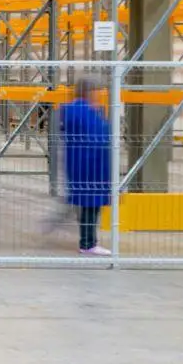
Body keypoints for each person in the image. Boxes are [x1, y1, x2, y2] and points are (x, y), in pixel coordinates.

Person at [58, 77, 113, 257]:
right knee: (90, 205)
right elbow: (97, 138)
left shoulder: (75, 110)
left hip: (81, 165)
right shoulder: (85, 111)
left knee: (87, 205)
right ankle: (88, 243)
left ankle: (88, 241)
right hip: (90, 166)